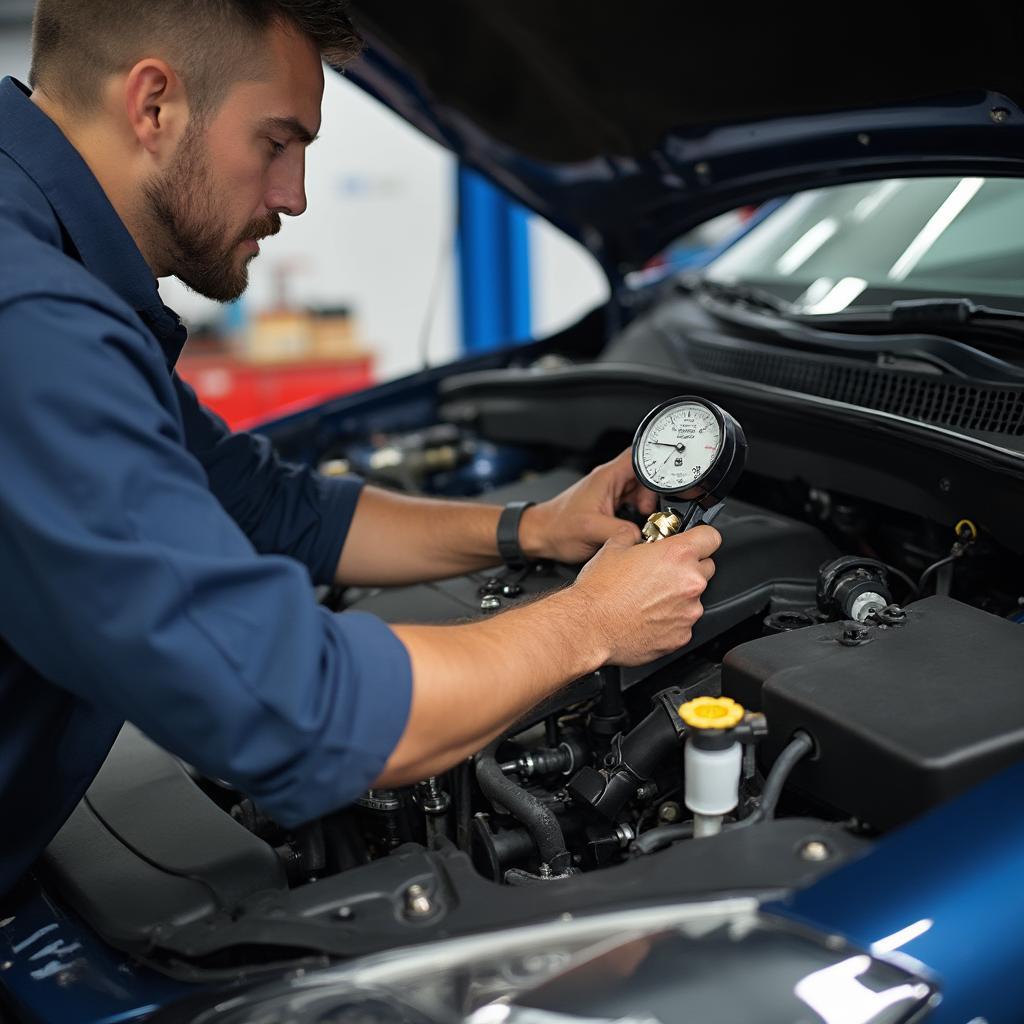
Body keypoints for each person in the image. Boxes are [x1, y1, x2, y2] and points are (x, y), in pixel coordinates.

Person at [0, 0, 720, 895]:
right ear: (154, 106)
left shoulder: (51, 271)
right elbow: (299, 709)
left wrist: (532, 527)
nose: (294, 195)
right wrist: (592, 623)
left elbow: (266, 506)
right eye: (276, 141)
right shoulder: (32, 321)